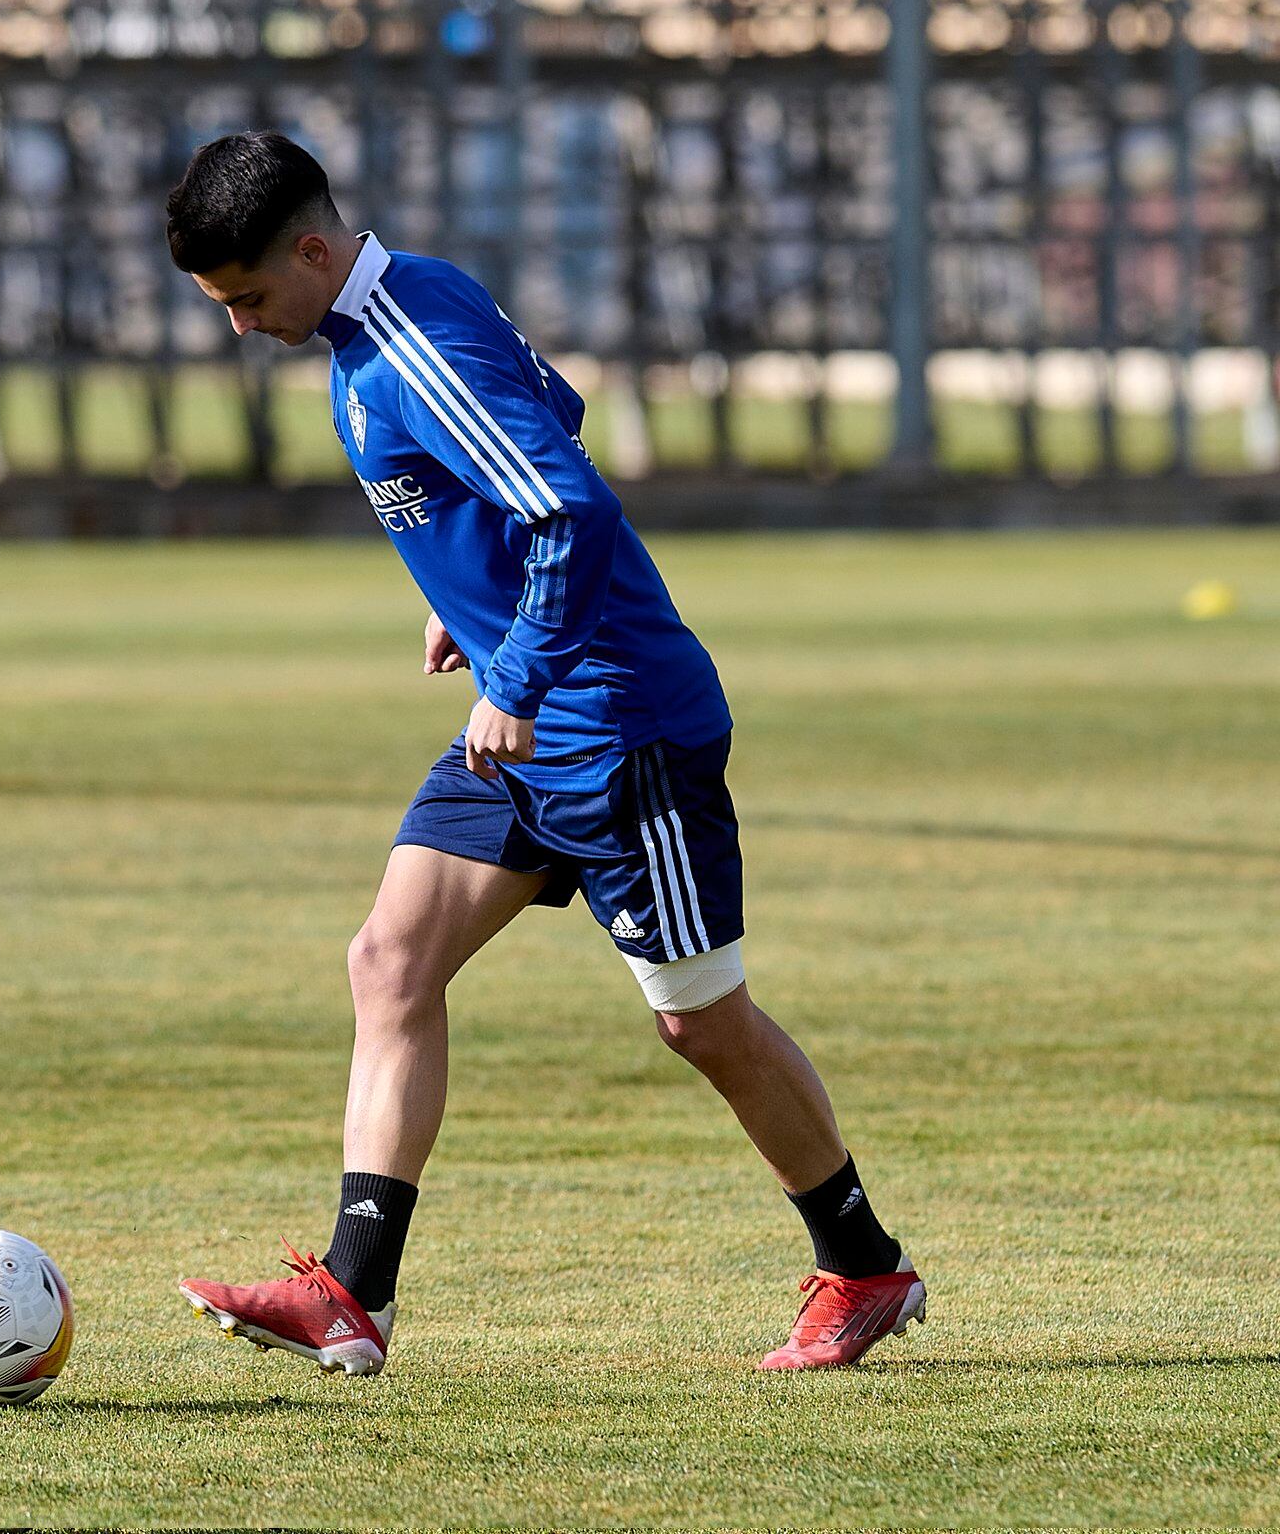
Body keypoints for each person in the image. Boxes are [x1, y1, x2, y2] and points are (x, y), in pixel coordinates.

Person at [164, 131, 926, 1374]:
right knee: (389, 957)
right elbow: (546, 421)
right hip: (527, 729)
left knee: (703, 1024)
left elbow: (568, 501)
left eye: (248, 299)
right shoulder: (386, 317)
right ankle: (351, 1294)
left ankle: (862, 1266)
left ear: (312, 250)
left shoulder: (412, 339)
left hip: (618, 726)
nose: (243, 328)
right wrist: (468, 597)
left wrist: (512, 665)